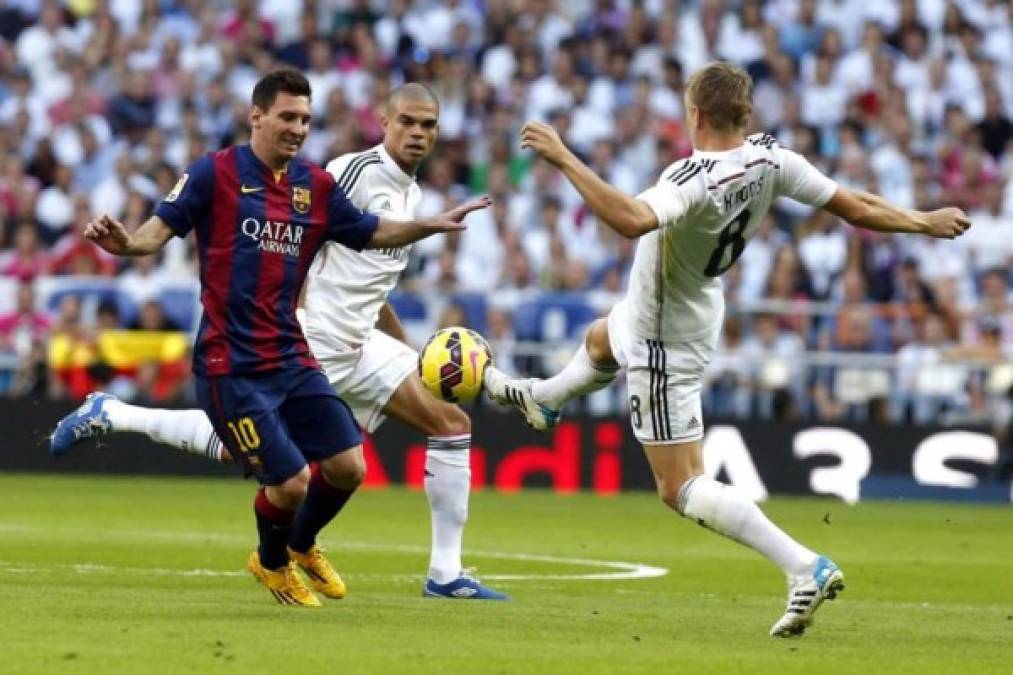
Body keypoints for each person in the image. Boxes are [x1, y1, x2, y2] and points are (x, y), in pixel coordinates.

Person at [484, 62, 971, 637]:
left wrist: (565, 157)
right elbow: (855, 206)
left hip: (664, 337)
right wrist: (924, 221)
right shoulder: (771, 158)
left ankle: (802, 566)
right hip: (679, 310)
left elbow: (629, 219)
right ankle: (544, 400)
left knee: (680, 486)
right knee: (601, 337)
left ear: (696, 114)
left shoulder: (692, 179)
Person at [50, 83, 506, 600]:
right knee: (267, 463)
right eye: (408, 122)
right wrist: (129, 244)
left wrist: (408, 339)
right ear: (384, 121)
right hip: (307, 335)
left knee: (439, 429)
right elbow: (305, 251)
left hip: (356, 342)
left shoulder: (407, 194)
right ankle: (118, 414)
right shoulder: (343, 172)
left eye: (429, 126)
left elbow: (368, 269)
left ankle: (441, 573)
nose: (419, 134)